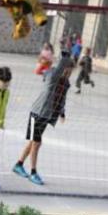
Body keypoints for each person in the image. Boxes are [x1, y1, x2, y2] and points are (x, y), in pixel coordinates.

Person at [13, 55, 74, 185]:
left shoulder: (66, 83)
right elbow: (57, 69)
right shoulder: (52, 77)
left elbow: (62, 98)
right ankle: (33, 172)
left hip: (46, 116)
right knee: (37, 143)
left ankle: (19, 165)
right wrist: (65, 55)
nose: (69, 73)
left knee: (33, 142)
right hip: (37, 113)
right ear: (63, 69)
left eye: (71, 72)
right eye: (67, 70)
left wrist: (62, 113)